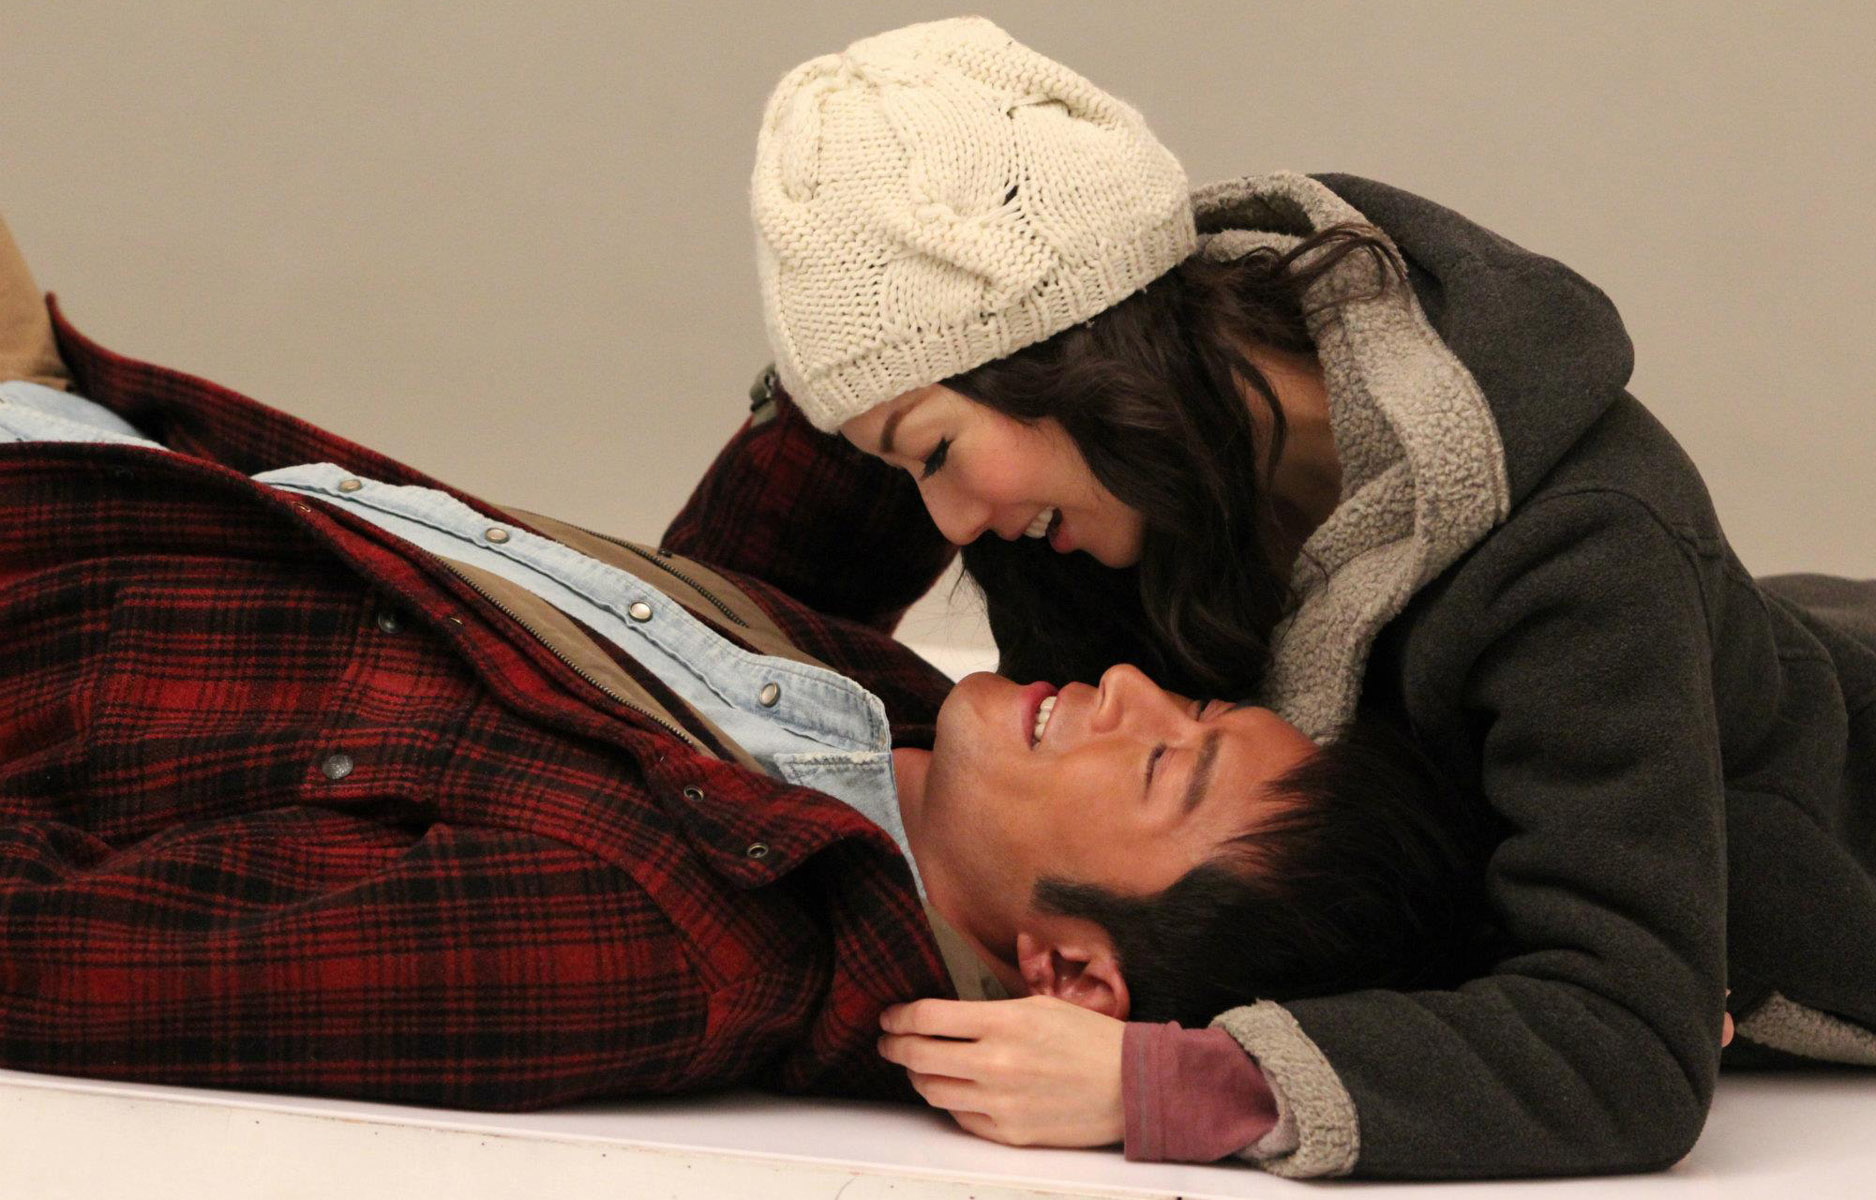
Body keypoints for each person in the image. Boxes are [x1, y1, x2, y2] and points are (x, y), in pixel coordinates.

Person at [0, 213, 1493, 1150]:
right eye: (1197, 705)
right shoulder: (879, 733)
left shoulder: (662, 947)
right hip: (86, 425)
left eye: (1166, 763)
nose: (1128, 689)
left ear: (1074, 977)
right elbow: (708, 581)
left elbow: (73, 963)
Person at [746, 16, 1876, 1181]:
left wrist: (1167, 1084)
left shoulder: (1585, 544)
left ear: (1073, 359)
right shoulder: (1083, 501)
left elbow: (1628, 1051)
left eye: (935, 451)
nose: (949, 523)